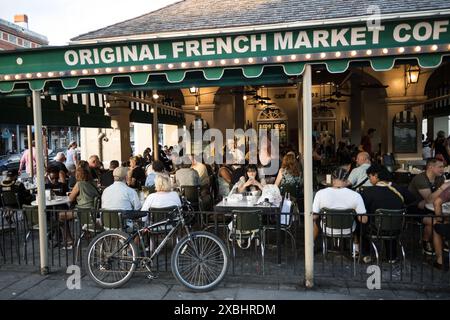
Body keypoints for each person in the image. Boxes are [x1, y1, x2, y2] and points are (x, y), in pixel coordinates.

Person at [360, 164, 405, 263]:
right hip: (396, 228)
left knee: (362, 222)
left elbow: (362, 208)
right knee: (391, 221)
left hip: (375, 229)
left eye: (369, 177)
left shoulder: (369, 192)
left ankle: (366, 254)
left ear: (376, 175)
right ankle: (391, 256)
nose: (369, 180)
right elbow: (411, 200)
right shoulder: (399, 189)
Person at [408, 157, 450, 255]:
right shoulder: (420, 179)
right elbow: (430, 199)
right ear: (430, 167)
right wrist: (442, 187)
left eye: (443, 167)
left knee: (445, 219)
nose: (442, 169)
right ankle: (425, 241)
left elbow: (437, 199)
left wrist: (432, 199)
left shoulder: (439, 178)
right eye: (440, 167)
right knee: (434, 221)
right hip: (413, 208)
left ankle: (441, 241)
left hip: (428, 207)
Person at [312, 168, 367, 241]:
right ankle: (356, 248)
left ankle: (311, 244)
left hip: (327, 229)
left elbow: (314, 216)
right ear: (347, 180)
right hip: (348, 229)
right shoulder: (356, 195)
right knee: (357, 221)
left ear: (332, 179)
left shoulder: (320, 193)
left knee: (316, 220)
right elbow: (364, 220)